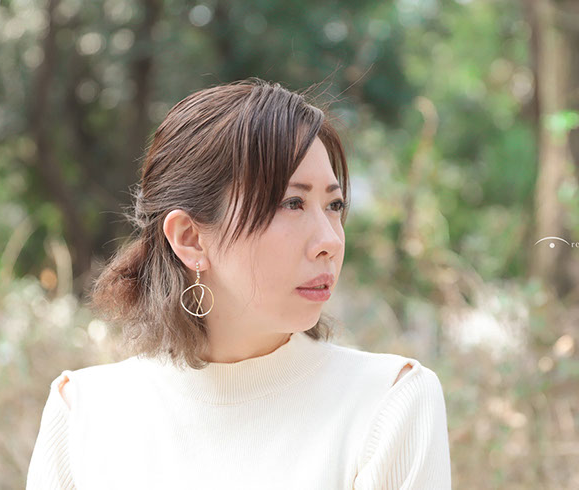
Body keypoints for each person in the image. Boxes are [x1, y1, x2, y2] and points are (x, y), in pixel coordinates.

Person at [25, 78, 451, 489]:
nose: (330, 241)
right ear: (190, 238)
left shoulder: (388, 402)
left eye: (334, 205)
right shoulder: (84, 414)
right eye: (292, 203)